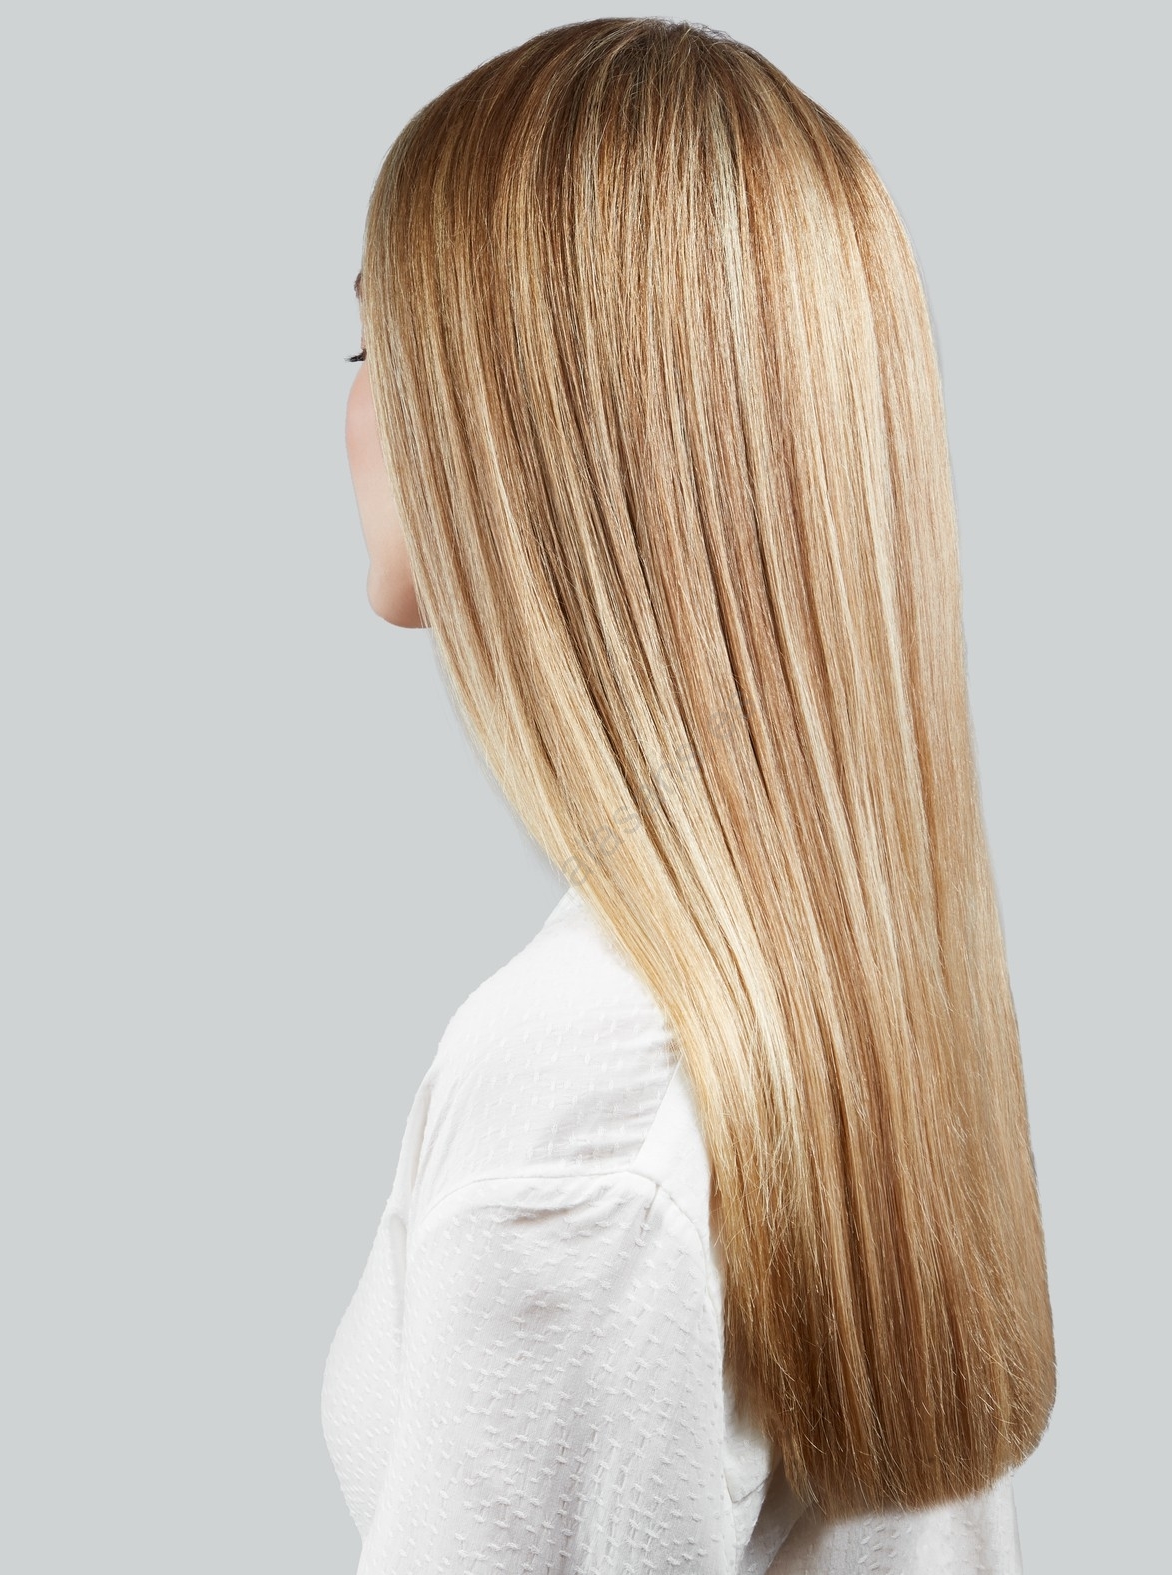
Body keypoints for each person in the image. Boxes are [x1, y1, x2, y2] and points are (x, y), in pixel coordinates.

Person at [322, 18, 1054, 1572]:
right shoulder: (837, 994)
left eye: (379, 345)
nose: (357, 412)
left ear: (519, 426)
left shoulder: (577, 1082)